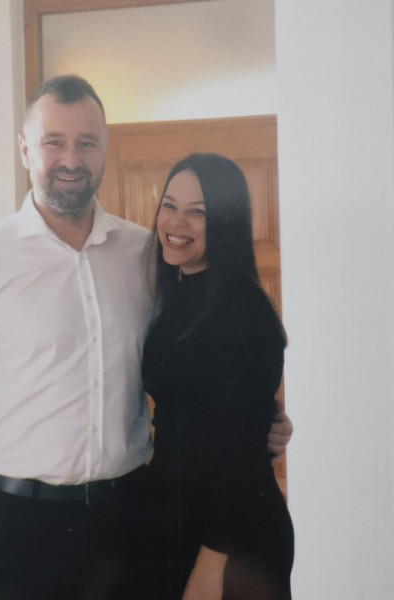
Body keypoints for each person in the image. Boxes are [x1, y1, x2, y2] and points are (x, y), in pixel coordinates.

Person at [0, 75, 293, 600]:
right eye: (54, 142)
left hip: (131, 521)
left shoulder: (145, 255)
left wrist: (264, 419)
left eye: (87, 143)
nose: (71, 159)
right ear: (25, 150)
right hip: (21, 527)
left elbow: (209, 358)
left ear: (104, 150)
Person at [140, 154, 294, 599]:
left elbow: (240, 455)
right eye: (170, 205)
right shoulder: (177, 295)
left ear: (226, 223)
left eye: (198, 212)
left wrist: (211, 567)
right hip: (179, 519)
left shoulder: (245, 310)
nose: (176, 222)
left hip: (230, 541)